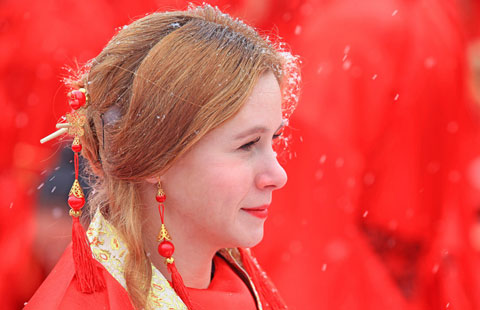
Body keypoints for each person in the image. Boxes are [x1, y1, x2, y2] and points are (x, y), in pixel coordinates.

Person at [25, 4, 300, 310]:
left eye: (274, 138)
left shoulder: (239, 283)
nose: (277, 176)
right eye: (247, 145)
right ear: (156, 155)